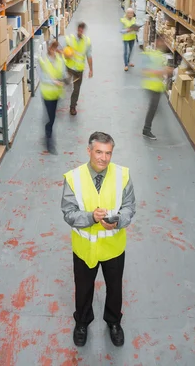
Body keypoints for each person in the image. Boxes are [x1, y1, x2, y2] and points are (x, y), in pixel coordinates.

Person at [61, 132, 136, 348]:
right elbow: (68, 213)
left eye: (108, 153)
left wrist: (119, 220)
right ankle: (82, 322)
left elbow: (130, 207)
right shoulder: (73, 178)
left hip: (113, 247)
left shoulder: (123, 175)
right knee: (83, 288)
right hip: (85, 248)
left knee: (115, 288)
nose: (103, 158)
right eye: (99, 152)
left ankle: (114, 322)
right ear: (89, 151)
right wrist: (91, 217)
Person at [39, 39, 66, 154]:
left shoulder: (60, 59)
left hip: (57, 93)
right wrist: (54, 82)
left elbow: (62, 73)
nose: (54, 50)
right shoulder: (43, 61)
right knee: (51, 119)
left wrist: (65, 79)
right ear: (48, 48)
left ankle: (48, 133)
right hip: (47, 94)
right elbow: (42, 77)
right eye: (52, 48)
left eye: (55, 48)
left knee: (52, 116)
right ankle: (49, 142)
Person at [142, 37, 172, 141]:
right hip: (152, 86)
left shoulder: (160, 56)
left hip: (157, 86)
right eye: (162, 42)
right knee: (153, 109)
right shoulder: (151, 55)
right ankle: (146, 129)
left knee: (154, 108)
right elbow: (145, 70)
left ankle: (147, 128)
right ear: (157, 43)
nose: (163, 44)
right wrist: (163, 71)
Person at [64, 22, 93, 116]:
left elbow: (89, 56)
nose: (80, 32)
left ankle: (72, 107)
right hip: (69, 67)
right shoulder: (70, 39)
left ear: (83, 31)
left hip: (79, 70)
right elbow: (63, 52)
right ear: (77, 29)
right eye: (79, 30)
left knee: (76, 89)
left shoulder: (87, 42)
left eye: (82, 30)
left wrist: (91, 69)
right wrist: (67, 54)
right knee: (65, 83)